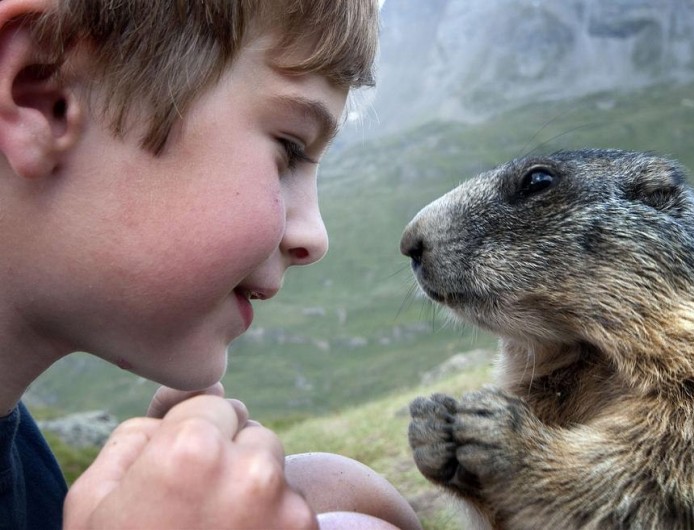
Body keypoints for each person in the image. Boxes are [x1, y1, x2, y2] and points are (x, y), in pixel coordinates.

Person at [0, 0, 422, 528]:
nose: (315, 237)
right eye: (289, 149)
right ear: (43, 96)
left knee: (346, 493)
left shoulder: (27, 467)